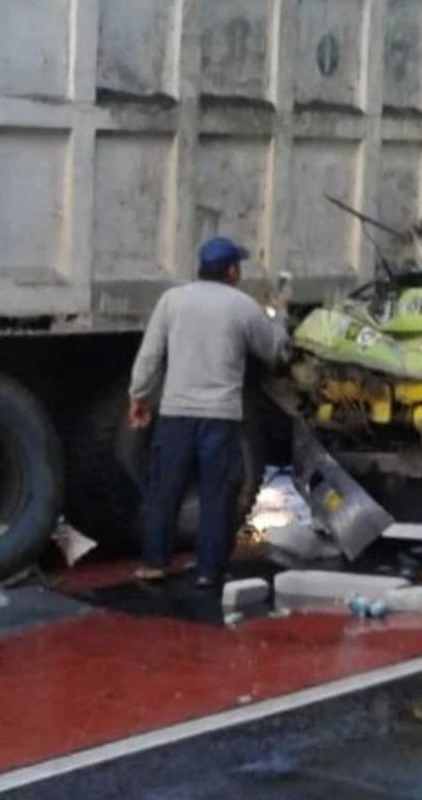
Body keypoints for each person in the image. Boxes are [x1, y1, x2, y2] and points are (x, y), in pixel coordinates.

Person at [129, 236, 290, 587]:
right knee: (217, 495)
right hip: (220, 417)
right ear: (232, 270)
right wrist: (280, 314)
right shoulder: (243, 306)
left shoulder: (171, 301)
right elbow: (274, 351)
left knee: (164, 490)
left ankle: (154, 563)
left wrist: (138, 397)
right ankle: (208, 570)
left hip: (175, 415)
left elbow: (150, 355)